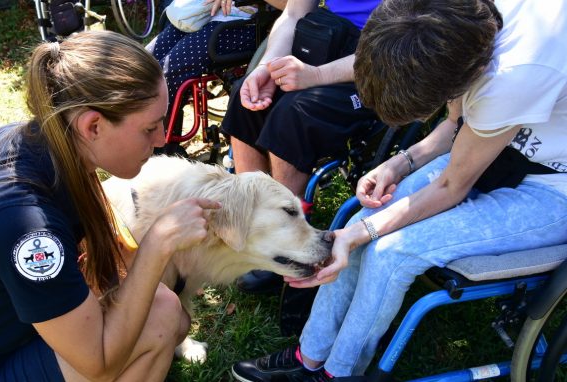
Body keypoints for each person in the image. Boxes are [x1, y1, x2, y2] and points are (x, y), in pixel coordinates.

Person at [231, 0, 567, 380]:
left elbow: (451, 185)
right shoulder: (456, 21)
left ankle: (337, 374)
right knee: (364, 220)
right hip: (494, 147)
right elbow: (457, 124)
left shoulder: (515, 72)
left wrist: (359, 236)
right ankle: (308, 356)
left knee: (393, 253)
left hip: (552, 184)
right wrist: (397, 163)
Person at [0, 30, 221, 382]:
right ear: (93, 126)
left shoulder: (33, 141)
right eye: (149, 128)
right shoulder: (24, 226)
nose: (163, 139)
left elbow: (109, 265)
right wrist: (158, 245)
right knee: (160, 318)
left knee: (167, 315)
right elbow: (98, 363)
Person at [225, 0, 381, 293]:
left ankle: (291, 243)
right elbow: (294, 13)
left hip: (376, 69)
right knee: (245, 99)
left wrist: (317, 76)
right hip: (326, 43)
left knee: (294, 115)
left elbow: (398, 48)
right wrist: (265, 69)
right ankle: (252, 226)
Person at [150, 0, 286, 130]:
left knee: (165, 75)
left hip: (250, 22)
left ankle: (159, 142)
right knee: (144, 65)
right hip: (206, 12)